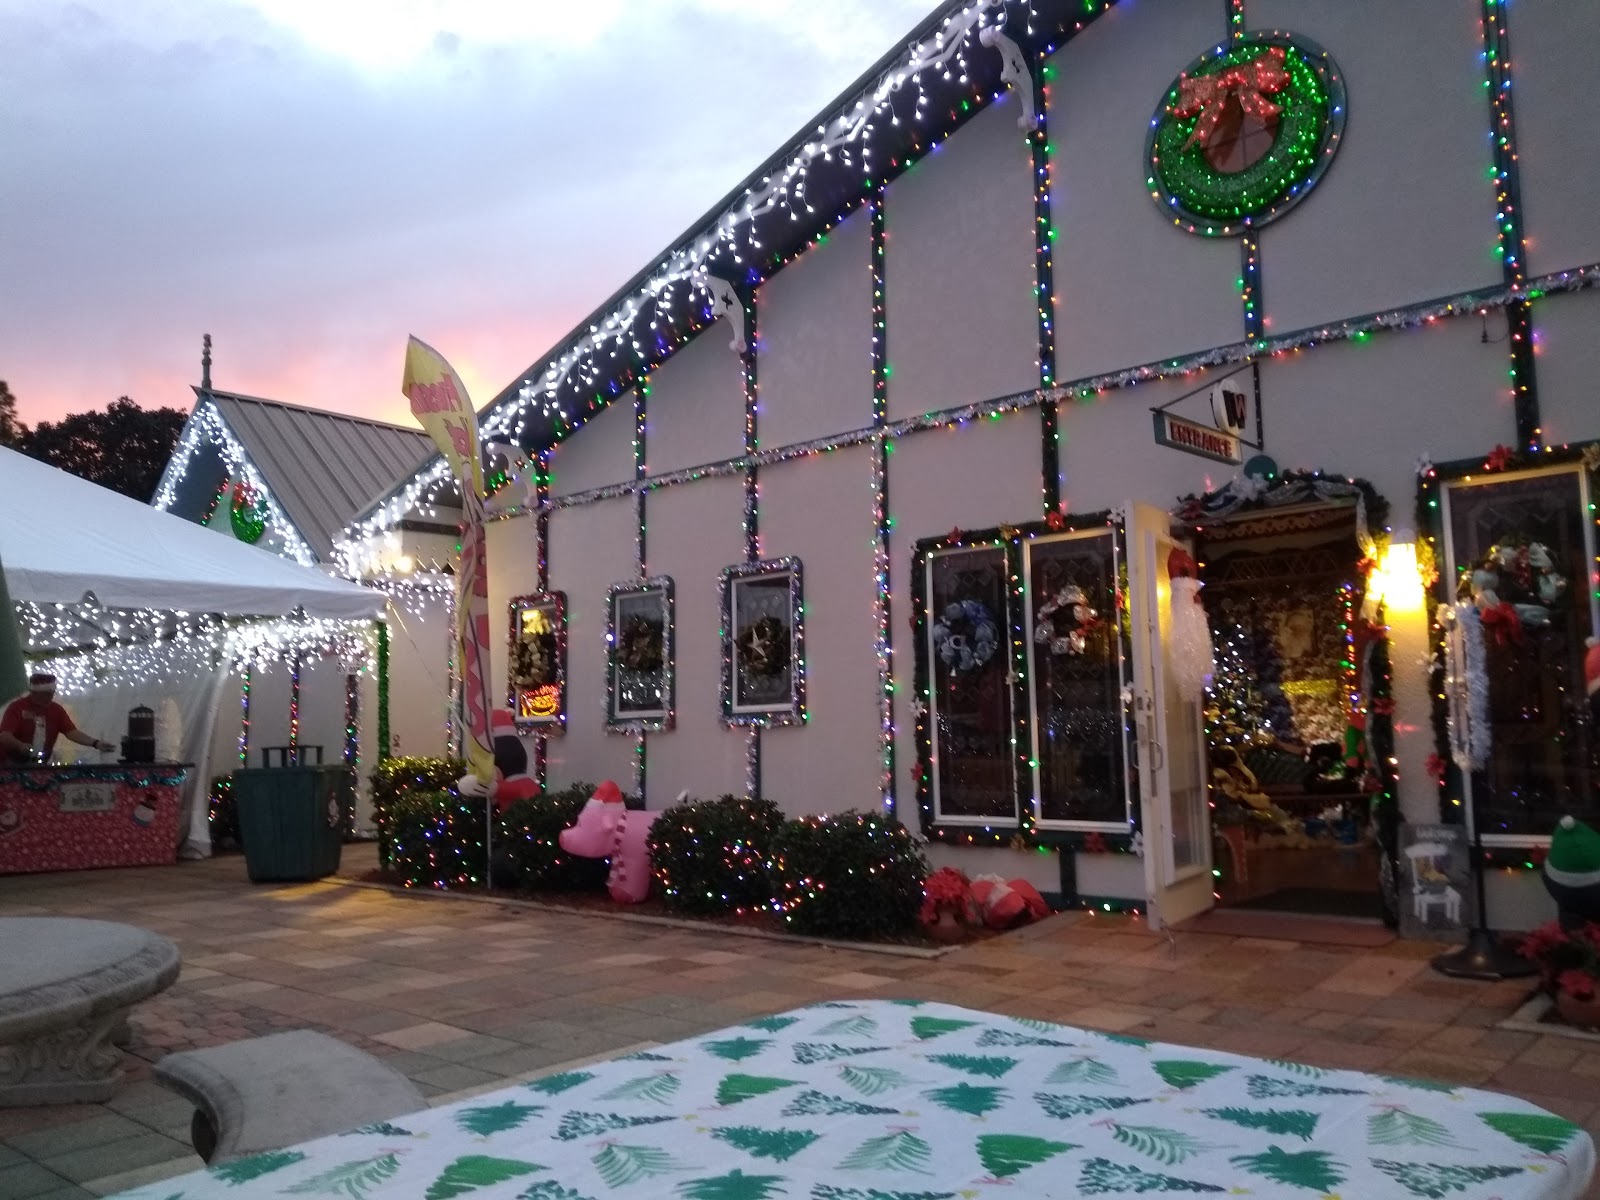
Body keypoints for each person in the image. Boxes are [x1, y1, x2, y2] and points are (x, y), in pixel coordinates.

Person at [0, 673, 115, 765]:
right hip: (11, 763)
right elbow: (4, 736)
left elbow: (71, 732)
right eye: (46, 695)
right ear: (34, 693)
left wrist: (95, 743)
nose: (50, 698)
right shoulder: (17, 708)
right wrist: (20, 745)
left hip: (40, 763)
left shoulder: (56, 710)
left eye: (51, 694)